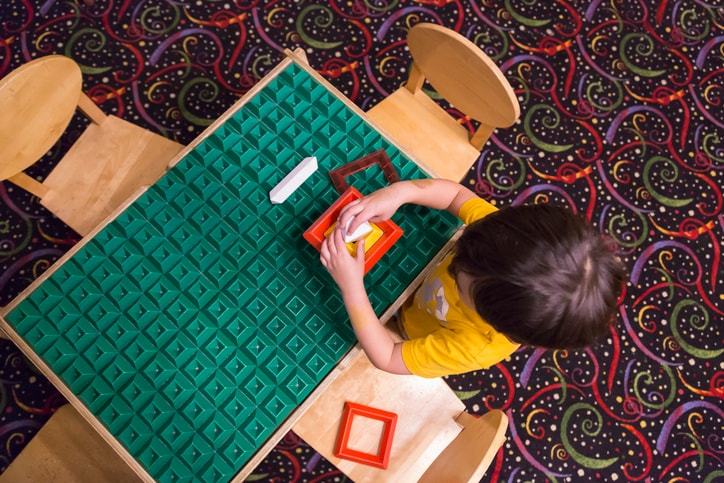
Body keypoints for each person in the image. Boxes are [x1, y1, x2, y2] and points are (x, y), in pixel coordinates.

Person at [319, 179, 627, 378]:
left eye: (460, 281)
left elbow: (387, 357)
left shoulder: (474, 347)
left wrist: (351, 287)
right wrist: (399, 193)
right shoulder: (505, 241)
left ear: (494, 321)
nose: (454, 268)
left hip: (403, 328)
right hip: (414, 282)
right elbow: (455, 195)